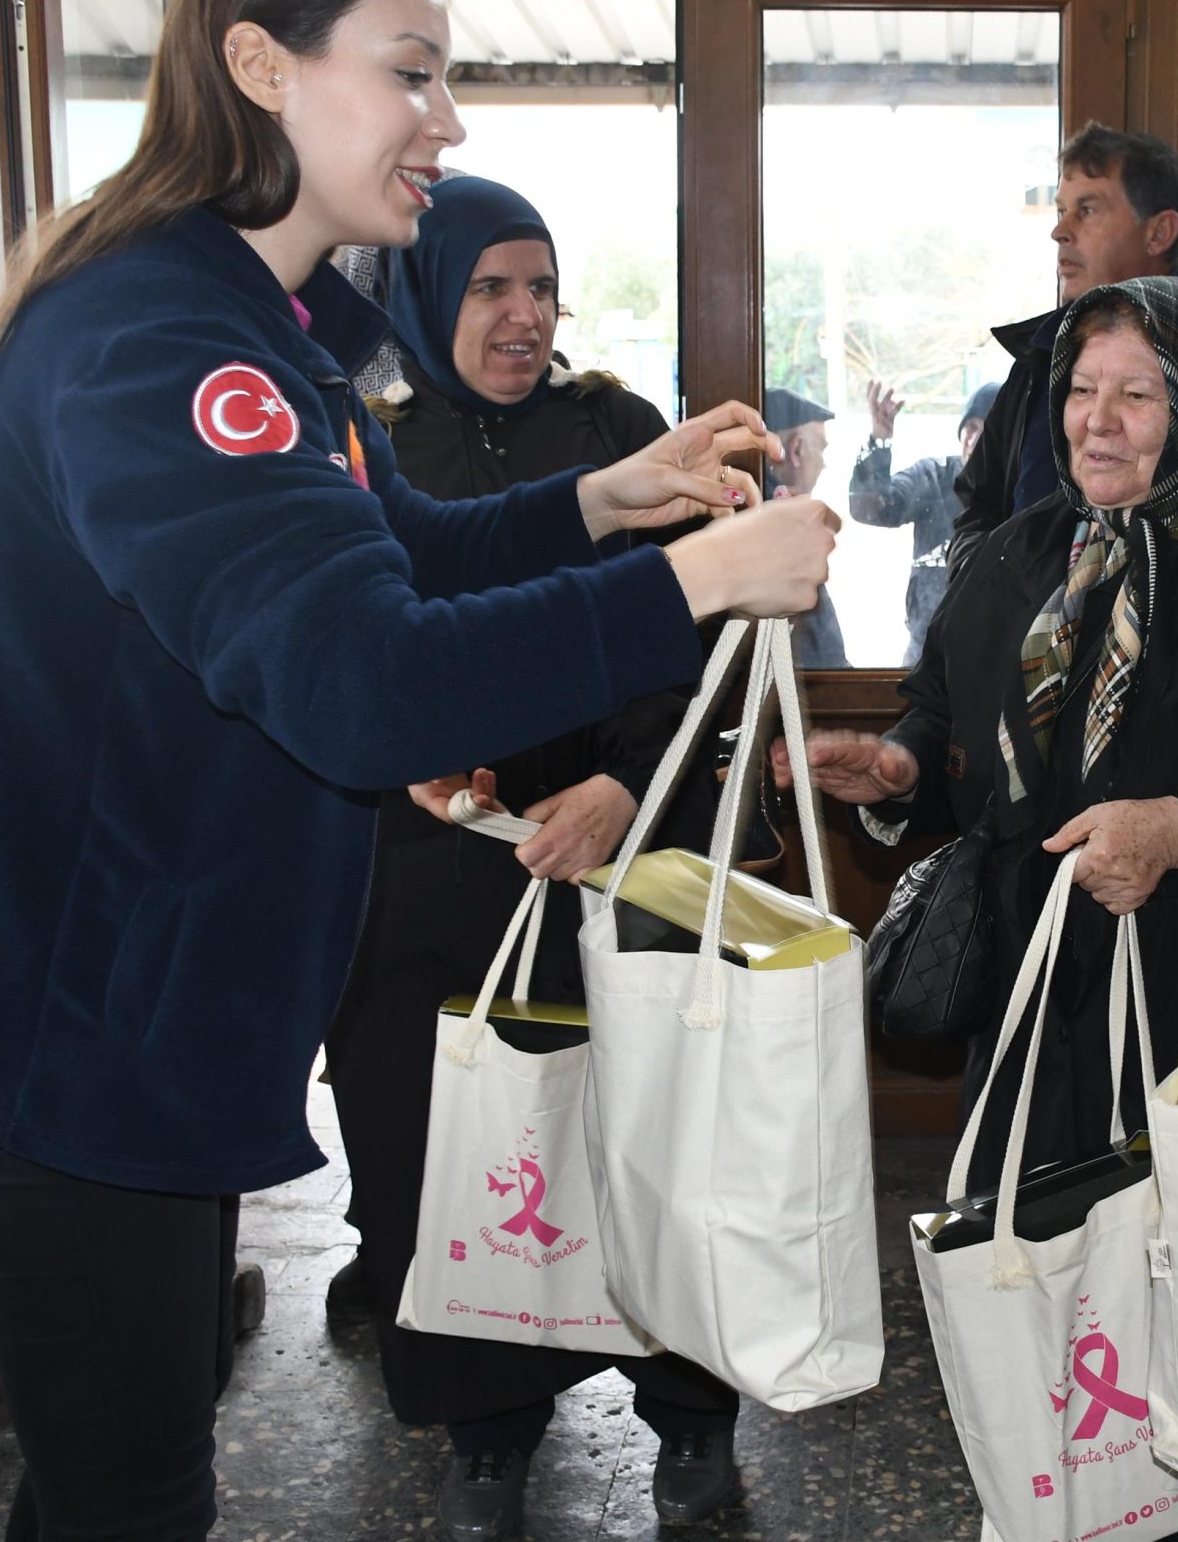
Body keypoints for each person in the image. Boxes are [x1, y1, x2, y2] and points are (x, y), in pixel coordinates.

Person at [0, 0, 836, 1542]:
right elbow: (362, 686)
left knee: (107, 1479)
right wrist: (693, 583)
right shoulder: (159, 344)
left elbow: (386, 552)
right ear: (261, 66)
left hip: (117, 1000)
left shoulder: (259, 332)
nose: (450, 120)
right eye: (413, 72)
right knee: (133, 1496)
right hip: (53, 1016)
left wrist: (610, 499)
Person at [782, 279, 1178, 1541]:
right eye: (1079, 389)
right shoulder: (1016, 550)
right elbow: (946, 716)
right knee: (1048, 1291)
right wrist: (891, 769)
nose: (1095, 422)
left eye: (1138, 393)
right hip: (1039, 992)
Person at [322, 176, 740, 1540]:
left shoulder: (617, 430)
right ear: (432, 291)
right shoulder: (373, 447)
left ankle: (689, 1420)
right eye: (490, 285)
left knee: (645, 1152)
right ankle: (486, 1433)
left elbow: (705, 640)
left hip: (618, 867)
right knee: (441, 1164)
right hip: (428, 877)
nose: (519, 314)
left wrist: (629, 780)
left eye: (540, 286)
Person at [946, 123, 1178, 576]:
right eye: (1061, 211)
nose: (1059, 231)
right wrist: (988, 596)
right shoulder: (1042, 356)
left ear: (1159, 233)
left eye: (1088, 210)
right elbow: (977, 508)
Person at [847, 379, 990, 665]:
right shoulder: (933, 476)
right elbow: (868, 507)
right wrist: (879, 440)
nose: (975, 438)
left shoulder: (1019, 491)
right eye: (971, 427)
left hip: (987, 658)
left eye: (987, 429)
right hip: (923, 655)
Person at [763, 386, 849, 668]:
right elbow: (821, 658)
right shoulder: (783, 530)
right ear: (796, 449)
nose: (823, 464)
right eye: (821, 448)